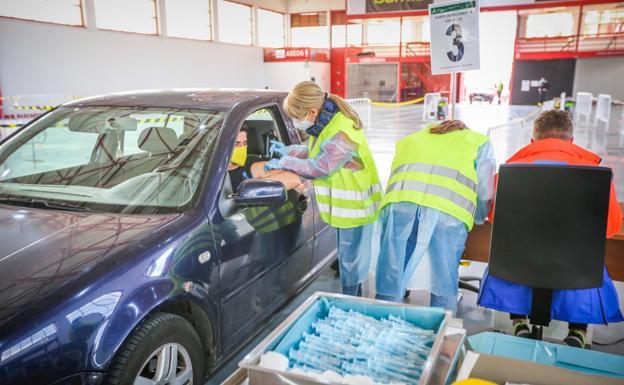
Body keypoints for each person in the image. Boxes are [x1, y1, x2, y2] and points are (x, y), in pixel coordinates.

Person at [477, 109, 623, 348]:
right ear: (571, 141)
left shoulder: (507, 172)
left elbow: (494, 218)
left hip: (516, 265)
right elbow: (609, 228)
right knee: (586, 258)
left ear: (533, 141)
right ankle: (577, 331)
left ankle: (519, 323)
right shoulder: (596, 174)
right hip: (575, 270)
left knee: (515, 254)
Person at [265, 81, 382, 296]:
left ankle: (351, 303)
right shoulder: (327, 124)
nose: (297, 123)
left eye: (298, 118)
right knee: (349, 260)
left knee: (351, 265)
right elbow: (318, 152)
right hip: (348, 210)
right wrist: (288, 151)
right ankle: (351, 298)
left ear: (312, 111)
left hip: (356, 209)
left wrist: (284, 163)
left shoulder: (341, 129)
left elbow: (320, 166)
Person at [375, 120, 495, 313]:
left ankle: (380, 320)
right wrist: (480, 218)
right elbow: (484, 190)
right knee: (444, 277)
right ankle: (442, 326)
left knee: (393, 270)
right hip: (447, 214)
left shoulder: (410, 140)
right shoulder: (477, 141)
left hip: (400, 208)